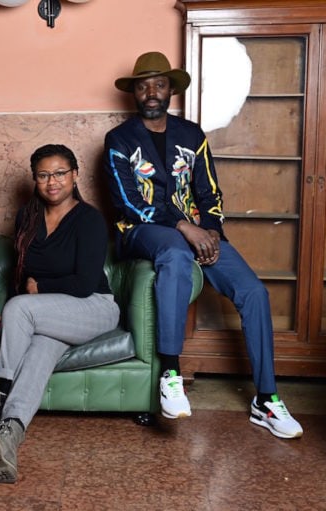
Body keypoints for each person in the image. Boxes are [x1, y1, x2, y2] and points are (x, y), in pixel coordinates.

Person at [103, 51, 303, 439]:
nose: (151, 92)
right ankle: (171, 373)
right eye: (143, 86)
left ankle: (266, 398)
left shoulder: (192, 135)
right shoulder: (119, 139)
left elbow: (209, 191)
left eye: (159, 84)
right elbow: (129, 202)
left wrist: (209, 230)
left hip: (197, 231)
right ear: (134, 93)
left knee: (253, 291)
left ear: (171, 90)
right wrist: (184, 228)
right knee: (176, 253)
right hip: (142, 231)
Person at [0, 144, 120, 483]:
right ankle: (9, 436)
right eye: (43, 175)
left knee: (21, 308)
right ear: (35, 179)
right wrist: (21, 302)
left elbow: (83, 284)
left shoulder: (89, 220)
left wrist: (38, 290)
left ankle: (2, 394)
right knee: (39, 350)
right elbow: (22, 274)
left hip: (94, 307)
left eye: (60, 173)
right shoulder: (28, 216)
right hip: (52, 314)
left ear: (75, 175)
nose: (52, 182)